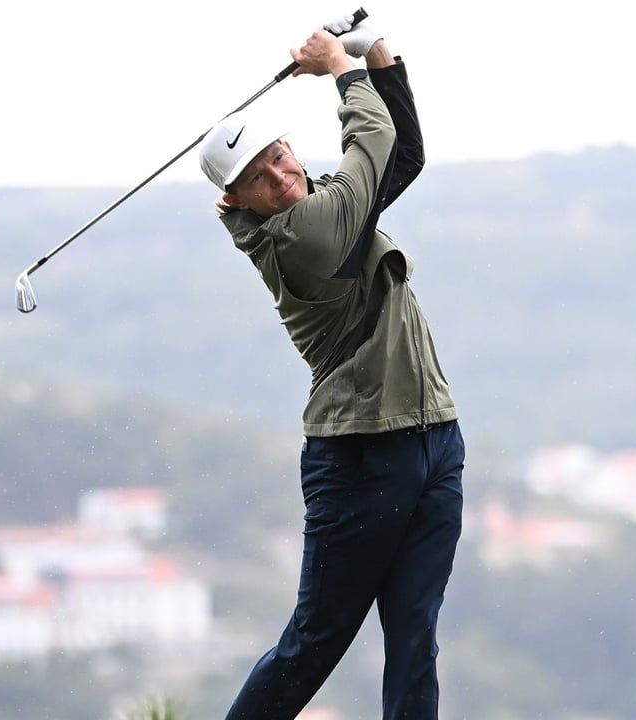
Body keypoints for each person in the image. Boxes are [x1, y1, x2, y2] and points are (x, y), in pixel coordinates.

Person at [197, 15, 464, 720]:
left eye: (280, 158)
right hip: (361, 456)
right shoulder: (306, 235)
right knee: (317, 640)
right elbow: (371, 139)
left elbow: (400, 156)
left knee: (415, 637)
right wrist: (340, 67)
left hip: (434, 437)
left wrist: (378, 52)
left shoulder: (325, 206)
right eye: (261, 178)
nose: (283, 178)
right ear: (237, 201)